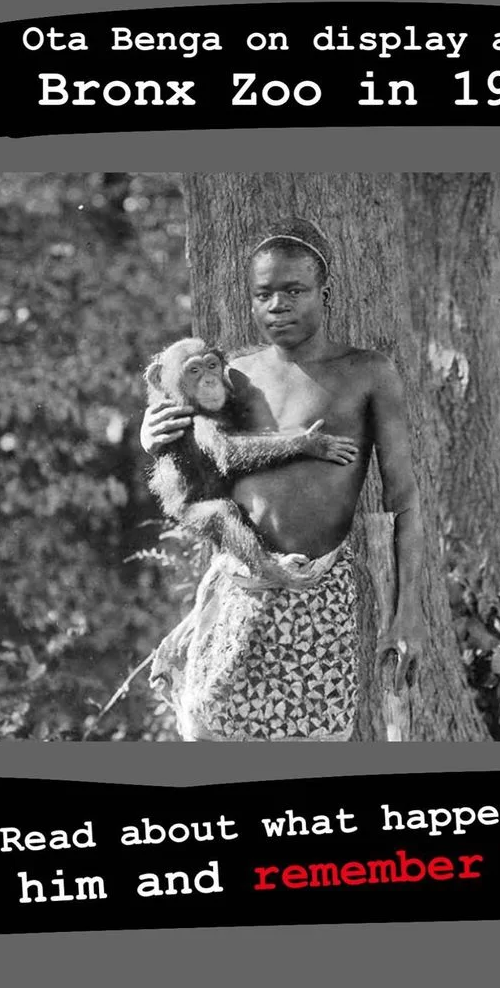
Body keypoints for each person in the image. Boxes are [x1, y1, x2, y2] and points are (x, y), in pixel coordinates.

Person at [140, 217, 425, 741]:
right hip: (243, 584)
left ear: (325, 293)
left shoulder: (367, 372)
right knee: (213, 736)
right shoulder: (237, 375)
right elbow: (183, 424)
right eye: (263, 294)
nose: (278, 305)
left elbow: (404, 502)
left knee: (311, 744)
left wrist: (409, 615)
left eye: (294, 290)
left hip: (319, 589)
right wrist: (149, 431)